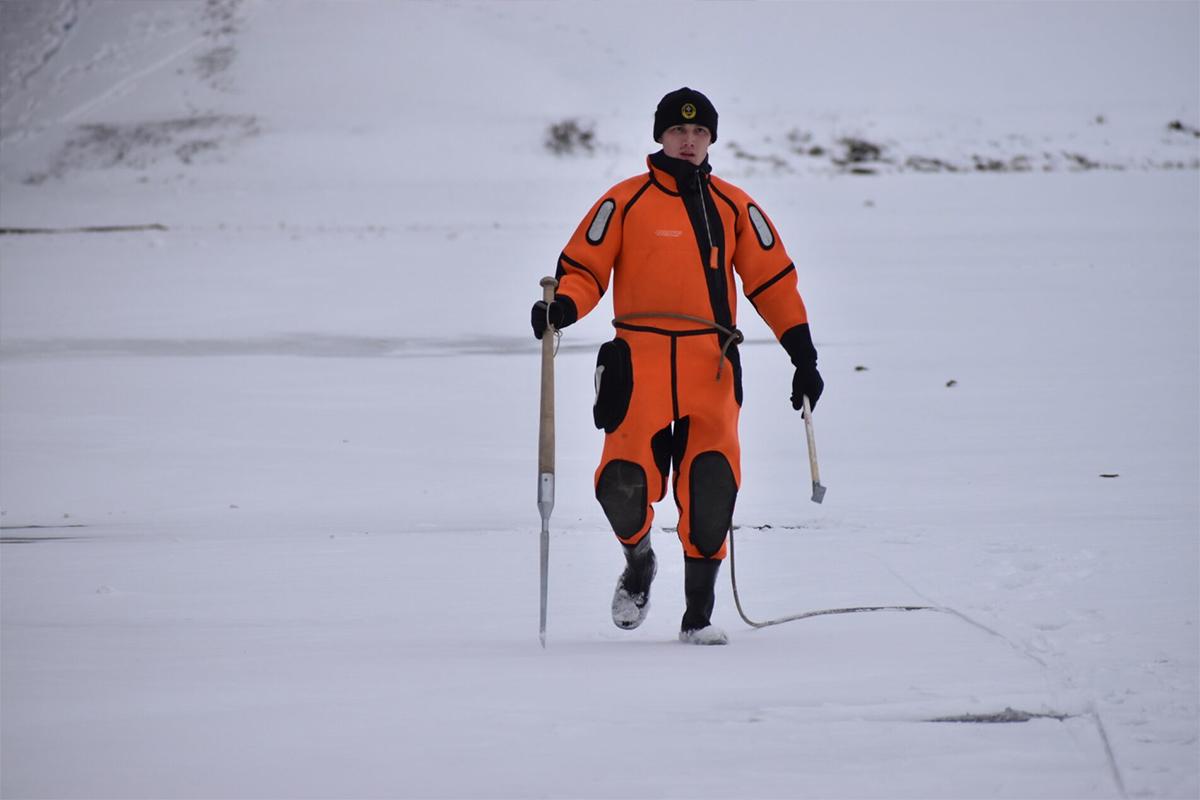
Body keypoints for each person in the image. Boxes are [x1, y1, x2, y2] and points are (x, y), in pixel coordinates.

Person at [531, 87, 823, 645]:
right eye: (677, 132)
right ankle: (639, 563)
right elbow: (584, 268)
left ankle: (698, 618)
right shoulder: (624, 202)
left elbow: (773, 281)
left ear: (711, 138)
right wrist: (562, 306)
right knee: (621, 483)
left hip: (709, 368)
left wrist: (803, 357)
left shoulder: (735, 207)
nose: (688, 141)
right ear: (660, 136)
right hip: (636, 367)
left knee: (712, 486)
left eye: (699, 133)